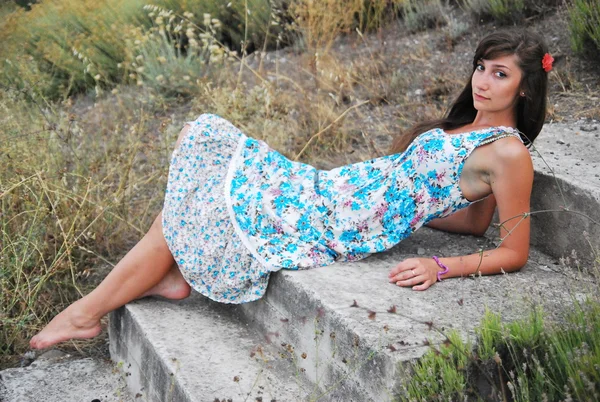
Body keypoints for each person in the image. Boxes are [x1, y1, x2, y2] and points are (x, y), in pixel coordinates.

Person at [30, 29, 551, 349]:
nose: (483, 80)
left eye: (500, 74)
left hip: (340, 219)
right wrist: (413, 209)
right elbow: (471, 216)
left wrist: (439, 265)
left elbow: (513, 249)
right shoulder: (467, 128)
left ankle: (88, 311)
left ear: (523, 88)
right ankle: (158, 278)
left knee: (207, 196)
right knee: (208, 137)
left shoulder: (509, 152)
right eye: (481, 67)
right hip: (340, 190)